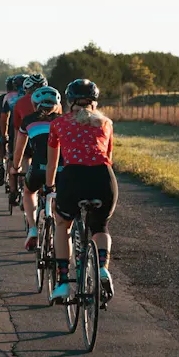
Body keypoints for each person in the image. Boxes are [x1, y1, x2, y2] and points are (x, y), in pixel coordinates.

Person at [43, 79, 117, 305]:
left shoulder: (58, 123)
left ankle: (64, 282)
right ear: (94, 102)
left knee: (62, 224)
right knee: (100, 225)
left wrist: (49, 188)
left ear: (70, 101)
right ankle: (102, 268)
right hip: (103, 177)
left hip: (73, 177)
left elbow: (52, 163)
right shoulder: (106, 123)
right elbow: (109, 158)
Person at [11, 86, 63, 250]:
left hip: (38, 168)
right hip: (61, 170)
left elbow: (19, 149)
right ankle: (55, 226)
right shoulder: (64, 121)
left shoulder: (28, 121)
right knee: (57, 199)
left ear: (34, 104)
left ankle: (33, 227)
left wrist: (15, 167)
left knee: (28, 191)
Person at [8, 74, 48, 208]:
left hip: (28, 139)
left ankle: (19, 189)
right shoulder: (53, 101)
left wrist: (15, 161)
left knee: (25, 159)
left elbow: (17, 129)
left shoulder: (20, 102)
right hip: (49, 144)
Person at [0, 76, 16, 187]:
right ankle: (12, 181)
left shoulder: (0, 99)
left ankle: (1, 164)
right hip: (17, 129)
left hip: (3, 128)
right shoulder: (23, 98)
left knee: (2, 143)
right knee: (13, 155)